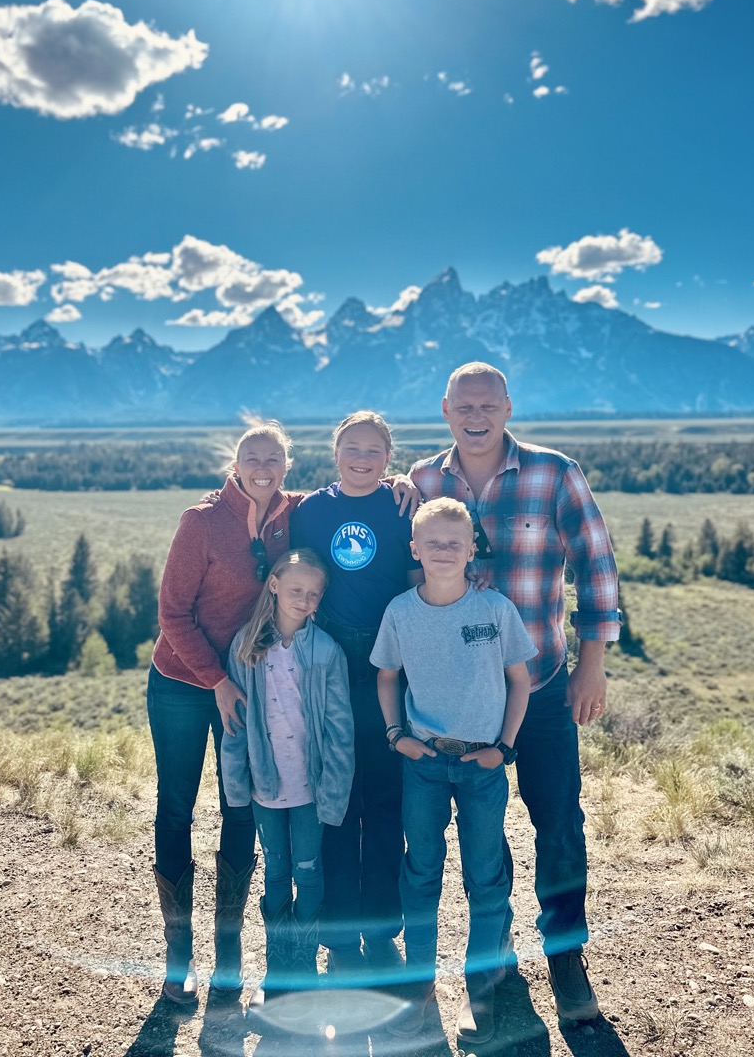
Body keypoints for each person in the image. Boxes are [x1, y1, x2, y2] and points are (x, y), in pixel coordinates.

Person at [408, 362, 621, 1022]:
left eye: (487, 405)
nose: (476, 416)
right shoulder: (419, 482)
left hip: (546, 682)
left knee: (558, 824)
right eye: (463, 405)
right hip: (460, 698)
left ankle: (566, 958)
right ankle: (492, 951)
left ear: (506, 406)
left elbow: (596, 564)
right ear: (446, 408)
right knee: (482, 830)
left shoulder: (554, 472)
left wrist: (593, 665)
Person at [372, 498, 534, 1046]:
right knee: (420, 872)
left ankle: (480, 990)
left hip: (483, 764)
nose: (443, 551)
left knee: (485, 877)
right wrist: (398, 736)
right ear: (414, 549)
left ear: (472, 549)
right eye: (432, 543)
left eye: (454, 543)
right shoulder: (400, 612)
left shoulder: (495, 610)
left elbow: (520, 681)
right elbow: (388, 677)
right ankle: (419, 987)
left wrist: (505, 749)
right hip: (425, 763)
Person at [147, 421, 298, 1004]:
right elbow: (172, 614)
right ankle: (177, 959)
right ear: (235, 463)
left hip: (248, 686)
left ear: (287, 465)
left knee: (242, 806)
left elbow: (347, 491)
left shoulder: (291, 514)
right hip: (183, 683)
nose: (263, 466)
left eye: (273, 458)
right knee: (176, 807)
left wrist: (396, 483)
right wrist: (215, 681)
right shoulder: (202, 521)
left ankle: (228, 961)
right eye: (251, 457)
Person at [290, 410, 422, 982]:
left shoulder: (401, 507)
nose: (362, 458)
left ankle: (381, 926)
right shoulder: (313, 511)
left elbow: (422, 578)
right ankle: (340, 931)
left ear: (389, 458)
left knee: (387, 798)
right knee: (336, 796)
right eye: (351, 447)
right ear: (335, 450)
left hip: (390, 663)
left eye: (373, 450)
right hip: (328, 663)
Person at [221, 549, 355, 1005]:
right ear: (274, 585)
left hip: (310, 788)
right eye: (296, 590)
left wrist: (333, 794)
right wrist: (237, 788)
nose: (304, 600)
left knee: (309, 868)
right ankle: (278, 975)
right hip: (266, 785)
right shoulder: (244, 647)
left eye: (313, 594)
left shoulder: (325, 651)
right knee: (276, 870)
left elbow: (340, 731)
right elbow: (235, 726)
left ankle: (305, 971)